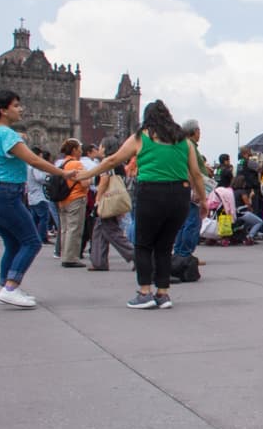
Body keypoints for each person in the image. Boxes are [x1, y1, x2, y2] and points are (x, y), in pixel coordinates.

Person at [77, 100, 207, 309]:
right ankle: (163, 294)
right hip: (179, 196)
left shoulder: (142, 136)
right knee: (165, 246)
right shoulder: (183, 140)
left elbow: (112, 160)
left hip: (152, 193)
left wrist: (88, 173)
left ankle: (144, 292)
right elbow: (196, 174)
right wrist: (203, 200)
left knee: (144, 245)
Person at [0, 89, 78, 308]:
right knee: (32, 241)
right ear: (3, 110)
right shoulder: (7, 135)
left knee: (12, 242)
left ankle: (7, 285)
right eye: (15, 105)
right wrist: (62, 172)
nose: (20, 109)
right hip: (6, 194)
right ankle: (11, 287)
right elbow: (34, 160)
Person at [87, 136, 136, 271]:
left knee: (111, 230)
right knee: (100, 229)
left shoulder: (108, 163)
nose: (99, 149)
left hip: (107, 200)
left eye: (101, 146)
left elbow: (104, 180)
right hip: (115, 198)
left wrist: (98, 199)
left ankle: (136, 256)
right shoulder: (119, 164)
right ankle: (98, 260)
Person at [172, 119, 209, 262]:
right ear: (194, 132)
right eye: (199, 130)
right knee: (192, 222)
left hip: (184, 188)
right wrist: (199, 191)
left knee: (185, 222)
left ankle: (180, 252)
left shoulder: (183, 146)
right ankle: (185, 253)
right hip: (191, 189)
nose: (200, 133)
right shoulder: (190, 146)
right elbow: (193, 171)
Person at [56, 139, 90, 267]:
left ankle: (64, 254)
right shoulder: (77, 164)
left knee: (65, 229)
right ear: (74, 150)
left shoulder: (62, 163)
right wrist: (90, 179)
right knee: (74, 228)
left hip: (62, 199)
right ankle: (71, 258)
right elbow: (85, 183)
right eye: (80, 149)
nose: (81, 151)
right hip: (76, 198)